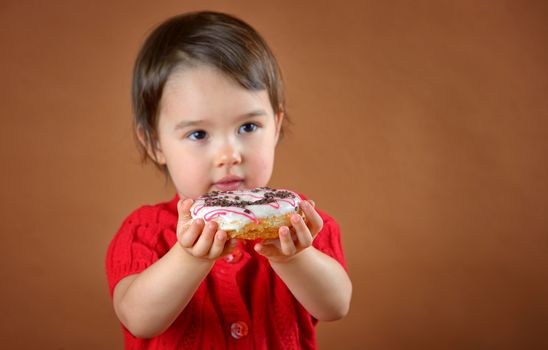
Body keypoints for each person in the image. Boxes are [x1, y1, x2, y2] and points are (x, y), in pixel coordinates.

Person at [105, 10, 352, 349]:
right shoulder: (144, 232)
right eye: (198, 134)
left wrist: (294, 257)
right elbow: (139, 318)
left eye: (248, 127)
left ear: (275, 127)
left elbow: (336, 305)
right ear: (155, 144)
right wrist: (190, 257)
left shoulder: (301, 226)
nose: (229, 155)